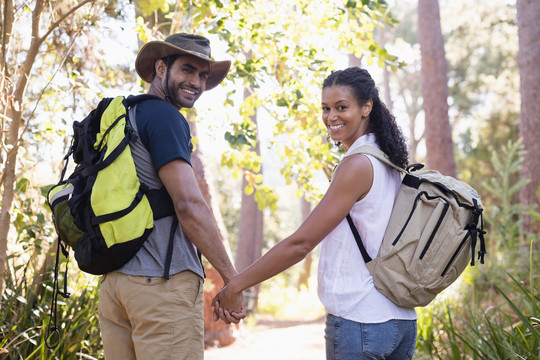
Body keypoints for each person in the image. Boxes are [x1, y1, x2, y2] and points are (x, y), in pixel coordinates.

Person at [212, 67, 418, 359]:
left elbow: (301, 244)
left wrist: (236, 285)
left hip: (361, 321)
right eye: (326, 108)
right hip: (400, 322)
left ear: (366, 107)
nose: (331, 117)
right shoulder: (390, 161)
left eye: (342, 107)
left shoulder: (358, 165)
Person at [97, 33, 246, 360]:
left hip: (115, 286)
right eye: (188, 70)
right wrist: (233, 280)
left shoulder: (124, 117)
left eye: (203, 75)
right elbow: (189, 206)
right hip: (161, 285)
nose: (196, 82)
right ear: (161, 68)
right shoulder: (165, 118)